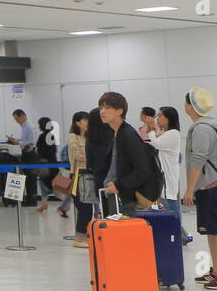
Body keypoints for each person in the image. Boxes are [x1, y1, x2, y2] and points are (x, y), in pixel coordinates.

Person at [184, 89, 217, 290]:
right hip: (208, 184)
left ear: (191, 106)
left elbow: (198, 159)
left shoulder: (201, 129)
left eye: (187, 102)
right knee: (212, 230)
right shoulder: (205, 126)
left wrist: (189, 189)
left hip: (210, 184)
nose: (185, 105)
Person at [99, 92, 157, 214]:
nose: (102, 111)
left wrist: (119, 186)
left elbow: (142, 169)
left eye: (107, 107)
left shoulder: (127, 135)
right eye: (101, 107)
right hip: (113, 195)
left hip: (124, 198)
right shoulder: (114, 132)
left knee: (122, 232)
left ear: (119, 111)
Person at [79, 107, 113, 246]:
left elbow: (90, 163)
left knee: (104, 210)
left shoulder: (90, 138)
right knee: (116, 210)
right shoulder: (112, 134)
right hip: (114, 178)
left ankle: (106, 238)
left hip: (99, 178)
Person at [149, 106, 184, 219]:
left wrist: (151, 129)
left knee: (171, 212)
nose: (157, 119)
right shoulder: (166, 133)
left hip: (168, 180)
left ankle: (178, 234)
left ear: (168, 118)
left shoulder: (173, 133)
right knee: (167, 211)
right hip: (165, 179)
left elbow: (155, 143)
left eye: (160, 116)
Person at [59, 112, 87, 222]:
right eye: (85, 120)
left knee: (88, 204)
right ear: (77, 123)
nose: (88, 122)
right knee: (82, 205)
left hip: (89, 174)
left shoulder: (88, 137)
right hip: (78, 175)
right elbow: (77, 156)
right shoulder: (72, 137)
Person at [8, 109, 37, 200]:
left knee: (31, 177)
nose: (16, 122)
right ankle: (29, 198)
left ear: (22, 116)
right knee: (27, 177)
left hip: (30, 153)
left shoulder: (29, 127)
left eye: (17, 119)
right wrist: (16, 141)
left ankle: (32, 199)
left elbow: (31, 141)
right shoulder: (24, 127)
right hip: (25, 153)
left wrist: (18, 143)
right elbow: (24, 140)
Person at [34, 117, 58, 213]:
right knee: (44, 183)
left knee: (51, 186)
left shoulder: (42, 136)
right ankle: (44, 204)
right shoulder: (51, 135)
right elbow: (53, 150)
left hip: (45, 165)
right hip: (52, 163)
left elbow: (40, 150)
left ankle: (66, 201)